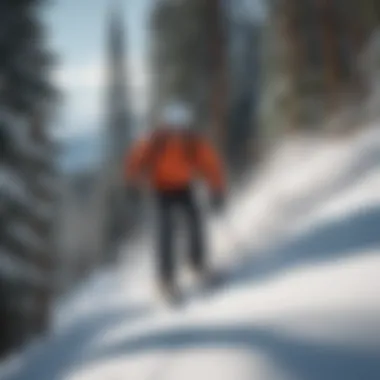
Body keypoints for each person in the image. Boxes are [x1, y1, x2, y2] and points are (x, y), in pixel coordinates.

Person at [124, 101, 226, 302]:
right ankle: (166, 277)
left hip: (184, 187)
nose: (177, 130)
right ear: (166, 124)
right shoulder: (155, 141)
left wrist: (216, 190)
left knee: (195, 221)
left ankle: (197, 262)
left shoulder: (192, 142)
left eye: (180, 125)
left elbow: (211, 165)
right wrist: (131, 184)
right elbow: (135, 159)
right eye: (173, 125)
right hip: (161, 189)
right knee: (165, 230)